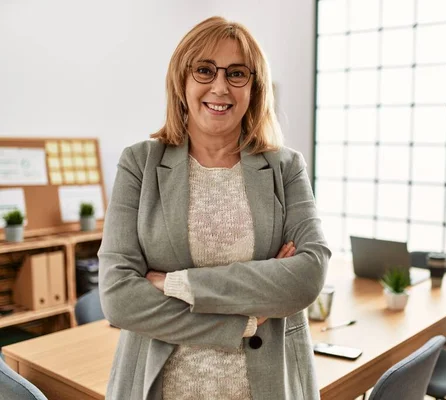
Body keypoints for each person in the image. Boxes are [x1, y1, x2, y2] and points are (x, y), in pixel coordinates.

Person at [98, 16, 331, 400]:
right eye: (204, 70)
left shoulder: (285, 167)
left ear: (253, 87)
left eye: (237, 73)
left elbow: (308, 275)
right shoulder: (140, 163)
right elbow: (119, 298)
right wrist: (246, 320)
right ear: (182, 80)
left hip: (268, 385)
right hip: (161, 386)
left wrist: (177, 283)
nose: (220, 87)